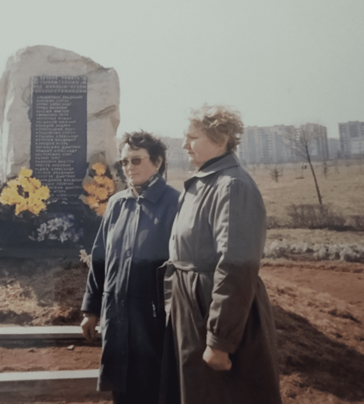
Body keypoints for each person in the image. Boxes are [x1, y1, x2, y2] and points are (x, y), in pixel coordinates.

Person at [159, 105, 281, 404]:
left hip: (213, 312)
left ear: (221, 139)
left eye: (192, 137)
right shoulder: (204, 181)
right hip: (193, 310)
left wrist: (220, 340)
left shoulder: (232, 186)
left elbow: (237, 265)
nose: (184, 144)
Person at [81, 131, 180, 404]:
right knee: (122, 392)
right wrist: (91, 309)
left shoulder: (175, 204)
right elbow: (100, 258)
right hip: (117, 320)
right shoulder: (116, 203)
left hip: (154, 325)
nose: (129, 167)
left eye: (136, 160)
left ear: (157, 162)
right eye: (124, 162)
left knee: (157, 392)